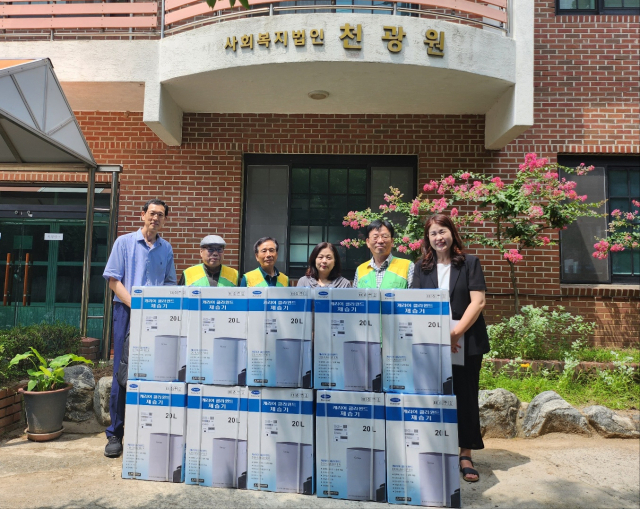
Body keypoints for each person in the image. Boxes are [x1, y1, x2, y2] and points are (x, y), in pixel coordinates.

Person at [412, 213, 489, 483]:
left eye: (442, 231)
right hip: (432, 343)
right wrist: (436, 337)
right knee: (434, 396)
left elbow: (478, 302)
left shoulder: (470, 263)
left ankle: (465, 453)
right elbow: (416, 304)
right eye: (433, 233)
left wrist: (454, 334)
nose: (438, 237)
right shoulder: (421, 268)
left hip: (466, 342)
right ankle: (436, 448)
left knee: (465, 396)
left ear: (452, 234)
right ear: (427, 238)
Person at [101, 199, 177, 458]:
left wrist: (157, 308)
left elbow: (170, 283)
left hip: (156, 314)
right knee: (122, 370)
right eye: (152, 213)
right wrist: (137, 305)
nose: (155, 218)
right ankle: (115, 433)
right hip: (126, 311)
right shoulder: (124, 243)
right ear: (142, 215)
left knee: (154, 368)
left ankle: (146, 429)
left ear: (165, 220)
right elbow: (113, 280)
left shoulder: (166, 248)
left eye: (161, 215)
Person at [353, 219, 413, 289]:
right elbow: (355, 295)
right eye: (375, 237)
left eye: (385, 236)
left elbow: (415, 294)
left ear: (392, 241)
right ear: (368, 242)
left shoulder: (408, 266)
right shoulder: (360, 270)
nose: (380, 241)